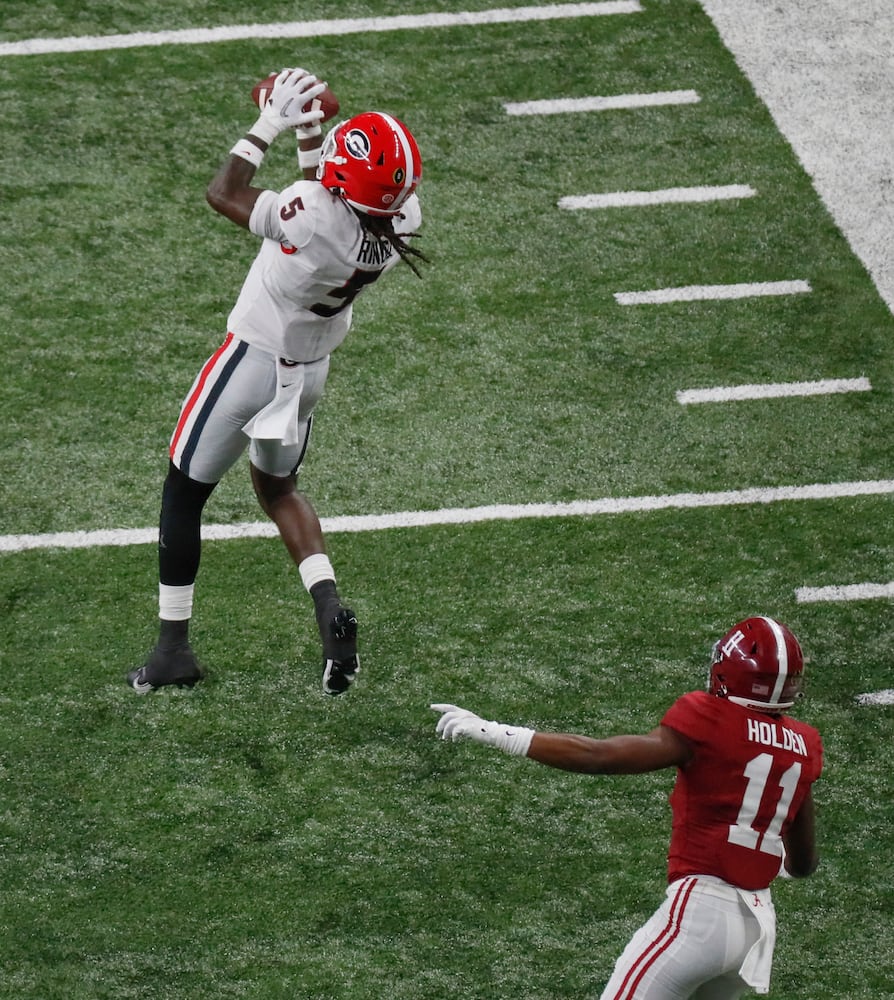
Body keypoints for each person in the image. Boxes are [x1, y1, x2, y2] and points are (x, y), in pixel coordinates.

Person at [128, 67, 426, 695]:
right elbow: (325, 192)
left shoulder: (312, 217)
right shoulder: (401, 221)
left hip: (250, 362)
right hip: (307, 375)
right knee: (279, 491)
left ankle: (172, 648)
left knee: (183, 493)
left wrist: (271, 123)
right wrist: (313, 132)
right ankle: (327, 610)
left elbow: (225, 192)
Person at [432, 616, 823, 999]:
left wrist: (497, 732)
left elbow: (598, 756)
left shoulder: (710, 719)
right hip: (756, 930)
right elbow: (802, 863)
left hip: (700, 915)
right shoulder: (805, 745)